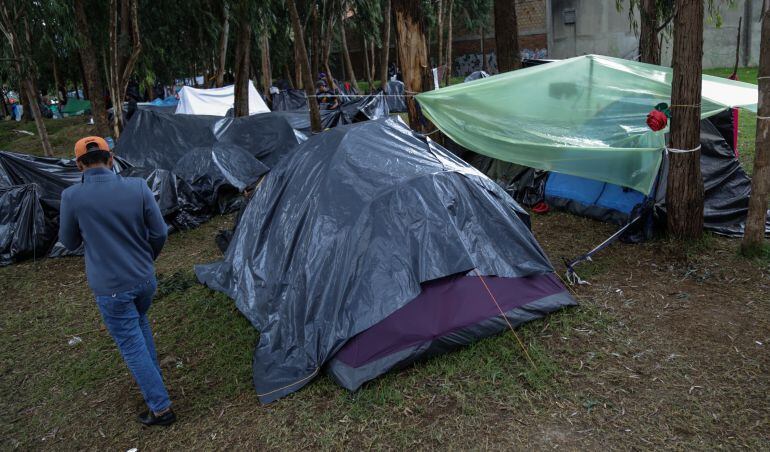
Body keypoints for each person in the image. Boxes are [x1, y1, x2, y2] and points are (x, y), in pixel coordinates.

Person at [59, 137, 176, 427]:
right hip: (144, 278)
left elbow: (68, 241)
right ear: (111, 159)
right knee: (140, 324)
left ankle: (161, 408)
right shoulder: (137, 186)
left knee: (131, 344)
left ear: (79, 165)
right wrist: (148, 259)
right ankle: (154, 383)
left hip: (111, 287)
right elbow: (160, 231)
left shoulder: (72, 197)